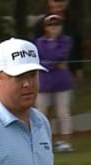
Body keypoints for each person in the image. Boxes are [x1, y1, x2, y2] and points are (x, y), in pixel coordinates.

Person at [35, 14, 75, 153]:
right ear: (45, 27)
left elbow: (61, 56)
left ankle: (64, 142)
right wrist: (53, 64)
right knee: (41, 114)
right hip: (43, 83)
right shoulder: (38, 42)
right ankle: (43, 142)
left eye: (57, 25)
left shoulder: (66, 40)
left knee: (62, 113)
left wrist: (47, 63)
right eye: (51, 25)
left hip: (61, 82)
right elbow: (37, 60)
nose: (54, 28)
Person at [32, 0, 83, 83]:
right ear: (49, 2)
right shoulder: (41, 23)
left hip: (67, 71)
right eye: (55, 1)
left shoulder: (72, 22)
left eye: (62, 0)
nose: (59, 4)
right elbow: (35, 48)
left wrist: (78, 67)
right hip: (45, 73)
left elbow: (77, 46)